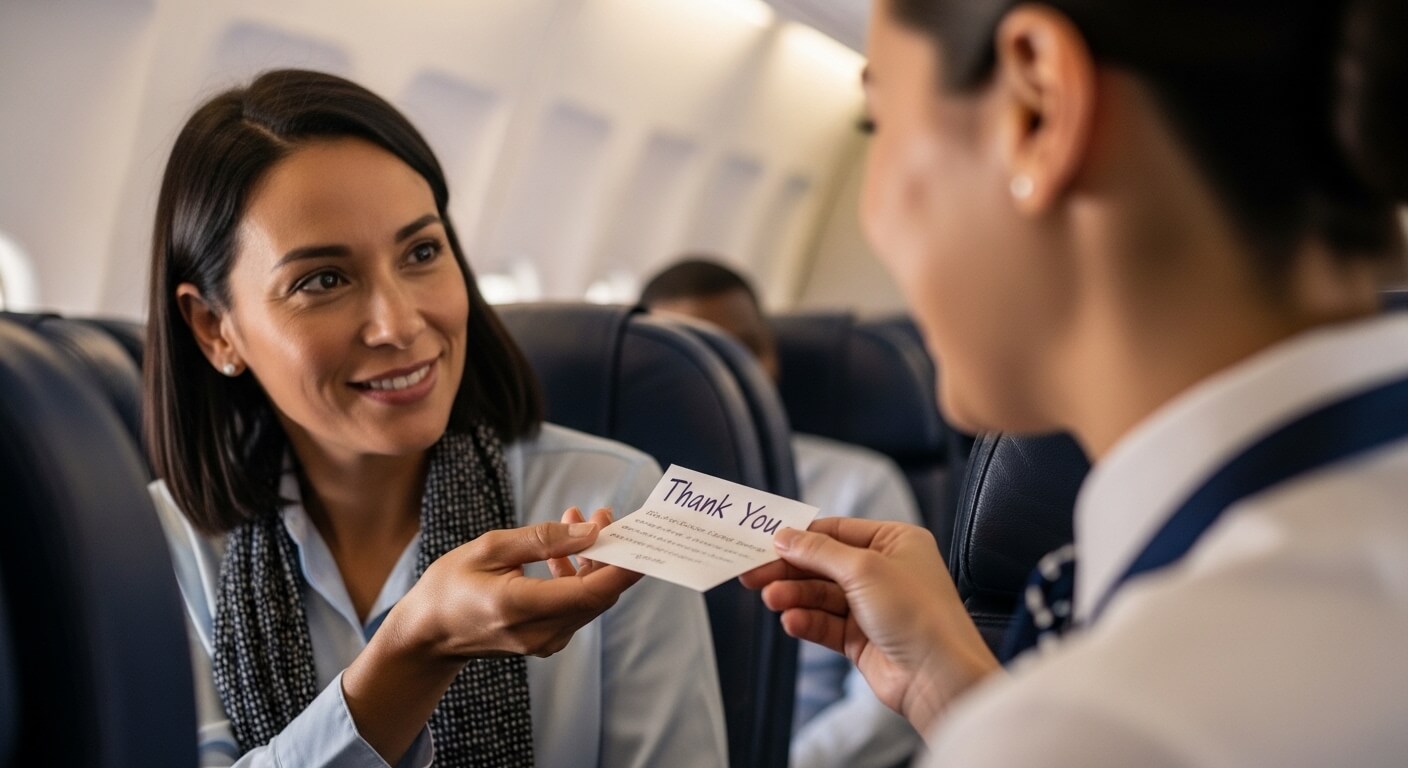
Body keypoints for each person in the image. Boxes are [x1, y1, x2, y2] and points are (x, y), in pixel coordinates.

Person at [743, 0, 1408, 765]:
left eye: (879, 122)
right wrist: (957, 690)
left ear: (1038, 108)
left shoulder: (1117, 727)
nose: (875, 217)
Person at [144, 69, 728, 768]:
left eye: (421, 252)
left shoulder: (614, 501)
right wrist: (413, 653)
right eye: (322, 280)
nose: (398, 323)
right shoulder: (159, 547)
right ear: (215, 329)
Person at [640, 258, 924, 768]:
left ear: (772, 356)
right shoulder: (633, 491)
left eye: (745, 351)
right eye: (699, 360)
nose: (727, 375)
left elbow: (887, 701)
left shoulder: (860, 484)